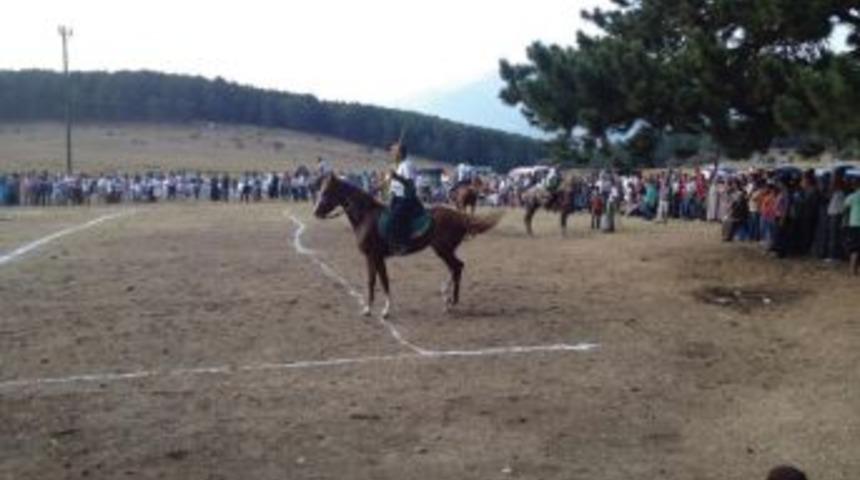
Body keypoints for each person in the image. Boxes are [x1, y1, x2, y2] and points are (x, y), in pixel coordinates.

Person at [387, 142, 420, 253]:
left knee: (393, 219)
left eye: (393, 151)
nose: (391, 153)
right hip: (395, 197)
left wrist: (396, 177)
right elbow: (389, 183)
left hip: (405, 198)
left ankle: (404, 243)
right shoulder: (398, 165)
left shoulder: (407, 165)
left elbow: (410, 184)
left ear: (400, 153)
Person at [844, 177, 860, 276]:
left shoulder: (852, 196)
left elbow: (844, 208)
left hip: (854, 224)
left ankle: (853, 270)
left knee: (855, 248)